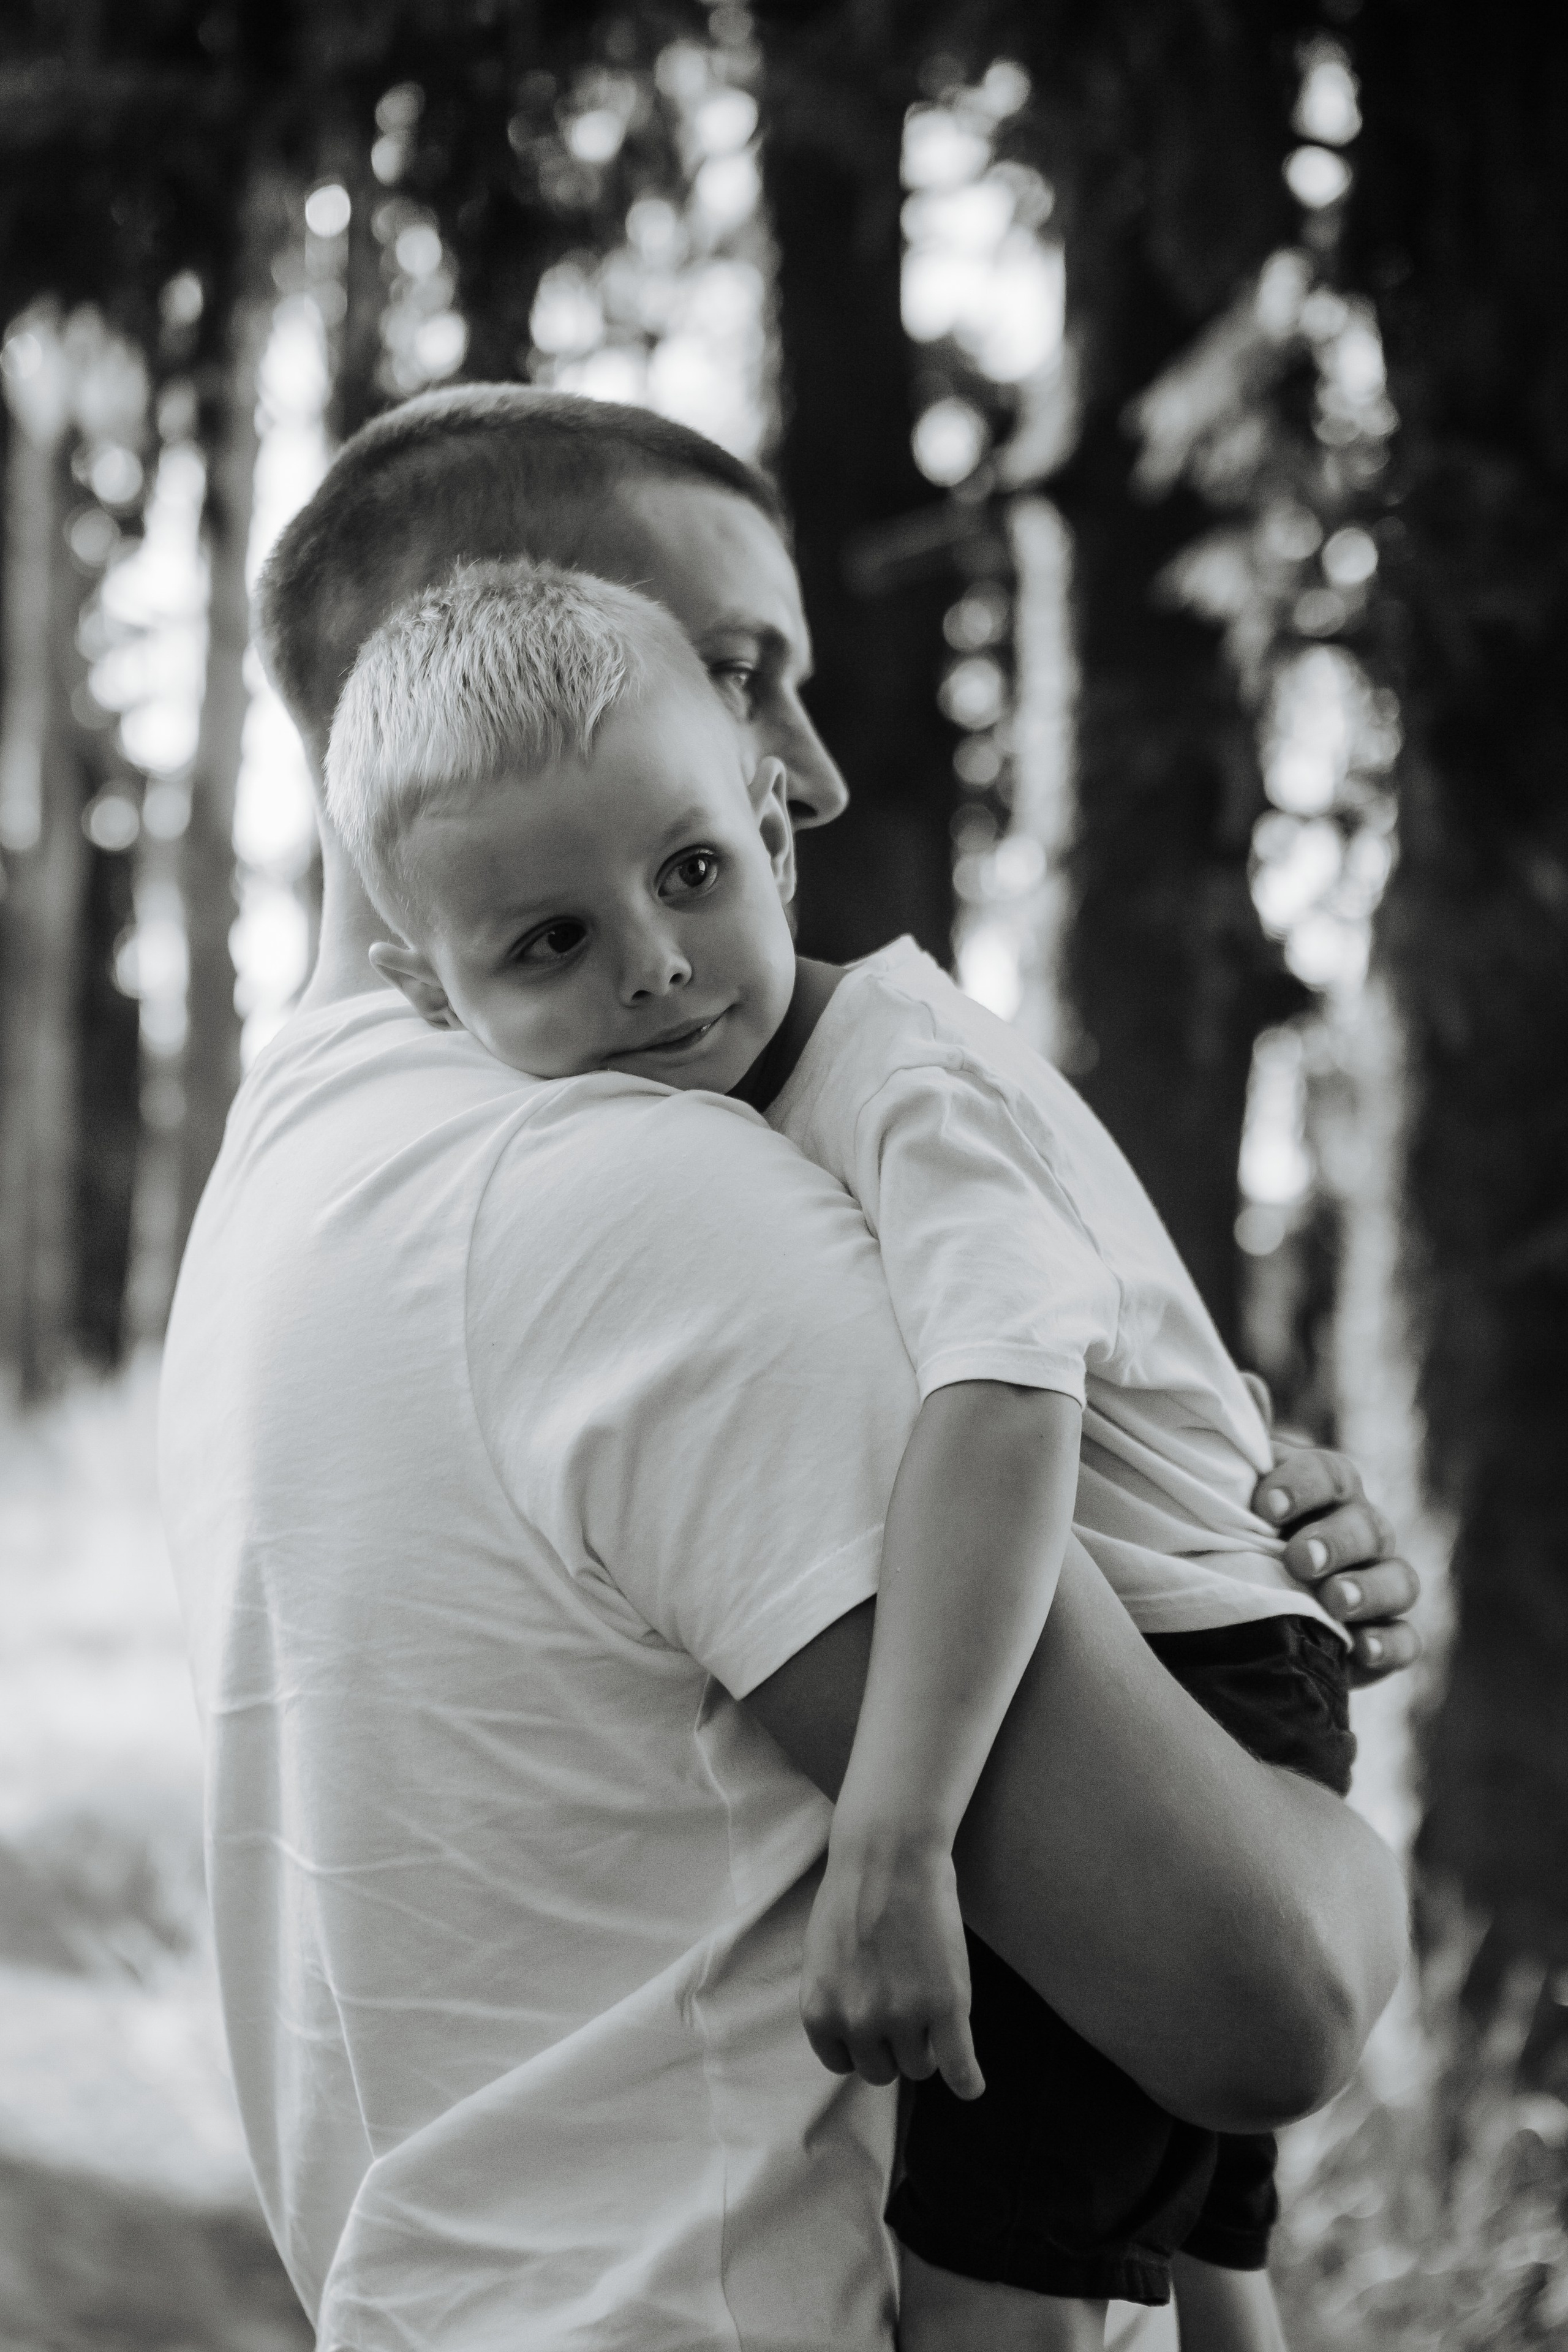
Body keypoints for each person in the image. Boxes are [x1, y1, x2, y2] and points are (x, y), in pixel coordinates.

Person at [158, 385, 1419, 2352]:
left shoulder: (295, 1177)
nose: (804, 780)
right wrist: (1351, 1861)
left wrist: (1195, 1487)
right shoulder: (633, 1197)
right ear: (478, 644)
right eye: (738, 669)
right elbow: (1264, 2000)